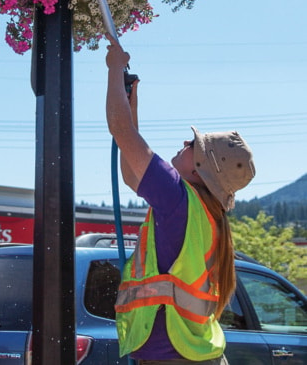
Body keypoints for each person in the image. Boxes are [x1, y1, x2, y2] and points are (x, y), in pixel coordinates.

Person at [105, 35, 256, 364]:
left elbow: (120, 130)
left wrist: (114, 70)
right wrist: (131, 103)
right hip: (189, 356)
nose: (185, 142)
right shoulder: (203, 211)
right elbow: (132, 173)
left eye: (193, 145)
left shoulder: (179, 198)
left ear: (202, 170)